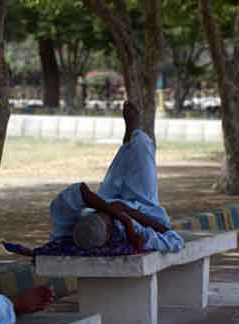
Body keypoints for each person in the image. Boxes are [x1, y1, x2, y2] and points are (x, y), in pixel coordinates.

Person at [43, 101, 184, 253]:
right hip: (143, 205)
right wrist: (126, 216)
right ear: (109, 235)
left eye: (102, 216)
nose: (109, 217)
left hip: (106, 198)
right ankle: (133, 134)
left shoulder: (68, 224)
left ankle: (127, 143)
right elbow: (173, 238)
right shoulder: (128, 235)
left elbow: (80, 191)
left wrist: (115, 212)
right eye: (109, 222)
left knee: (119, 168)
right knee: (142, 145)